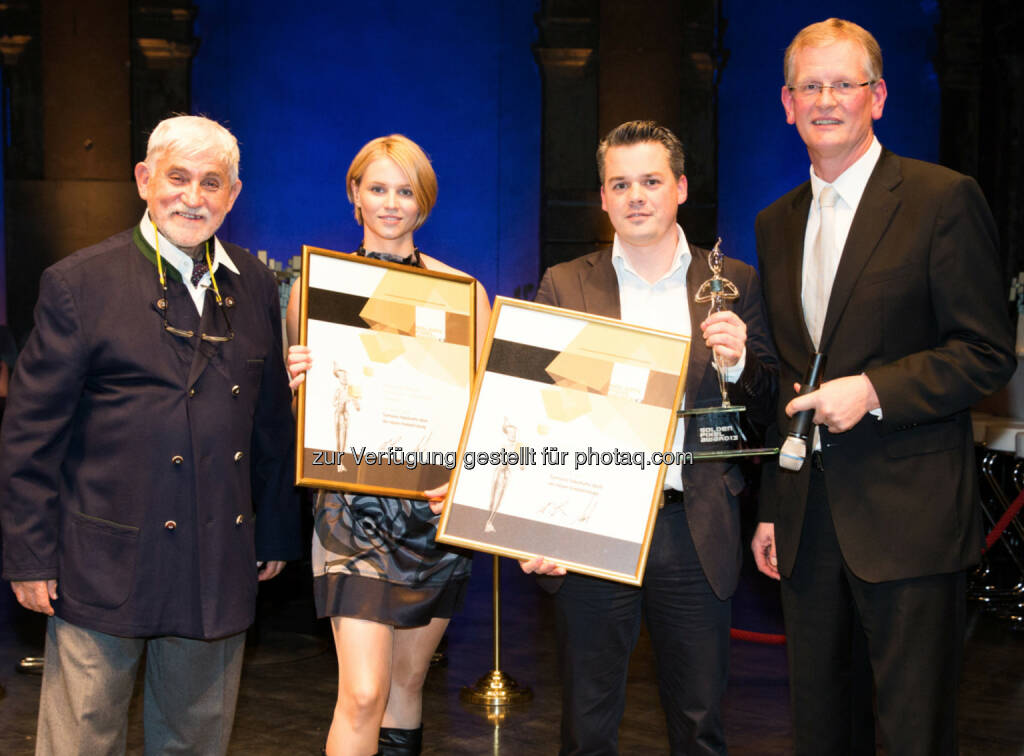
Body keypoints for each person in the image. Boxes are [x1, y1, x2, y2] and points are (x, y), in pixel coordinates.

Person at [751, 19, 1016, 755]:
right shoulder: (776, 224)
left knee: (912, 733)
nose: (826, 99)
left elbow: (986, 352)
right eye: (811, 85)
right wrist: (774, 505)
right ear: (786, 102)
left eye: (845, 83)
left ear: (879, 96)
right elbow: (787, 383)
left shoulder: (941, 199)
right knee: (820, 729)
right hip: (808, 525)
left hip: (910, 522)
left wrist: (872, 389)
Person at [0, 115, 301, 755]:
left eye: (211, 182)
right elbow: (30, 436)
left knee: (196, 743)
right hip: (100, 562)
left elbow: (270, 422)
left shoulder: (253, 286)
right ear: (144, 180)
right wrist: (29, 555)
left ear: (234, 194)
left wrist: (272, 528)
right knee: (80, 742)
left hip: (217, 561)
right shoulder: (79, 283)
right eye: (178, 178)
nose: (193, 197)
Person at [523, 120, 777, 755]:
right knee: (586, 726)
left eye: (651, 181)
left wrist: (742, 365)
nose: (636, 195)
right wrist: (533, 528)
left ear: (681, 188)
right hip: (590, 526)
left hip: (692, 527)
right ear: (603, 198)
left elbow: (770, 408)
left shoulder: (734, 283)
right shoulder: (565, 284)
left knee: (699, 727)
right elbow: (536, 412)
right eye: (620, 183)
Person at [285, 134, 490, 756]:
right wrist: (299, 387)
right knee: (364, 691)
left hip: (431, 512)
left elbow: (481, 411)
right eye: (378, 188)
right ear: (354, 194)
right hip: (349, 509)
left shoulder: (462, 292)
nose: (391, 203)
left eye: (406, 191)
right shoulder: (314, 290)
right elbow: (307, 418)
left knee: (406, 683)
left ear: (423, 203)